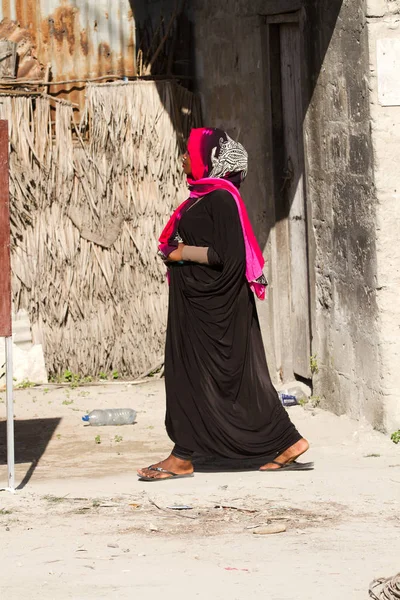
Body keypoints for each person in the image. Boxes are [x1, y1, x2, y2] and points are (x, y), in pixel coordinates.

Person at [137, 127, 312, 481]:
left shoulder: (220, 198)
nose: (183, 158)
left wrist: (179, 252)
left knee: (205, 379)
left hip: (215, 309)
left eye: (189, 153)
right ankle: (284, 441)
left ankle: (184, 456)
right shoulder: (204, 196)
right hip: (199, 305)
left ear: (210, 160)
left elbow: (226, 257)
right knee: (220, 382)